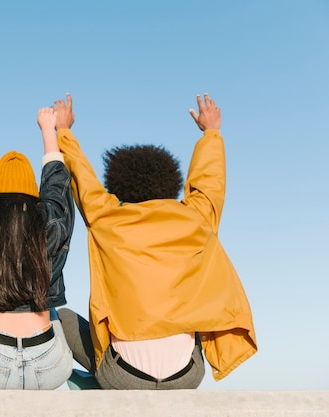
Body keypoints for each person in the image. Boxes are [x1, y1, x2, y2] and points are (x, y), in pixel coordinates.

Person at [55, 92, 257, 389]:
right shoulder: (196, 219)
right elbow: (209, 184)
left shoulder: (107, 219)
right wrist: (211, 133)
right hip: (187, 377)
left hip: (122, 377)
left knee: (59, 316)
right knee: (194, 306)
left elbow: (82, 177)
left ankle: (92, 384)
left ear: (117, 185)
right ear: (171, 184)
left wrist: (64, 132)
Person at [0, 107, 75, 389]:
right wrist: (48, 131)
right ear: (34, 194)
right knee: (49, 304)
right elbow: (57, 186)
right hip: (51, 367)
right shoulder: (50, 224)